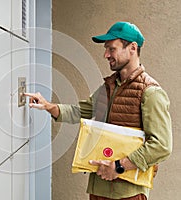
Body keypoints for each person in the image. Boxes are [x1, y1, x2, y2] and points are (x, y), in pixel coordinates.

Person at [24, 21, 172, 200]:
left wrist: (119, 167)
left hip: (127, 194)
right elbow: (81, 111)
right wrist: (48, 106)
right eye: (106, 49)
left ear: (132, 48)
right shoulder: (109, 86)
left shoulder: (150, 92)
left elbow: (161, 145)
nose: (106, 54)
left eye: (112, 49)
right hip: (99, 187)